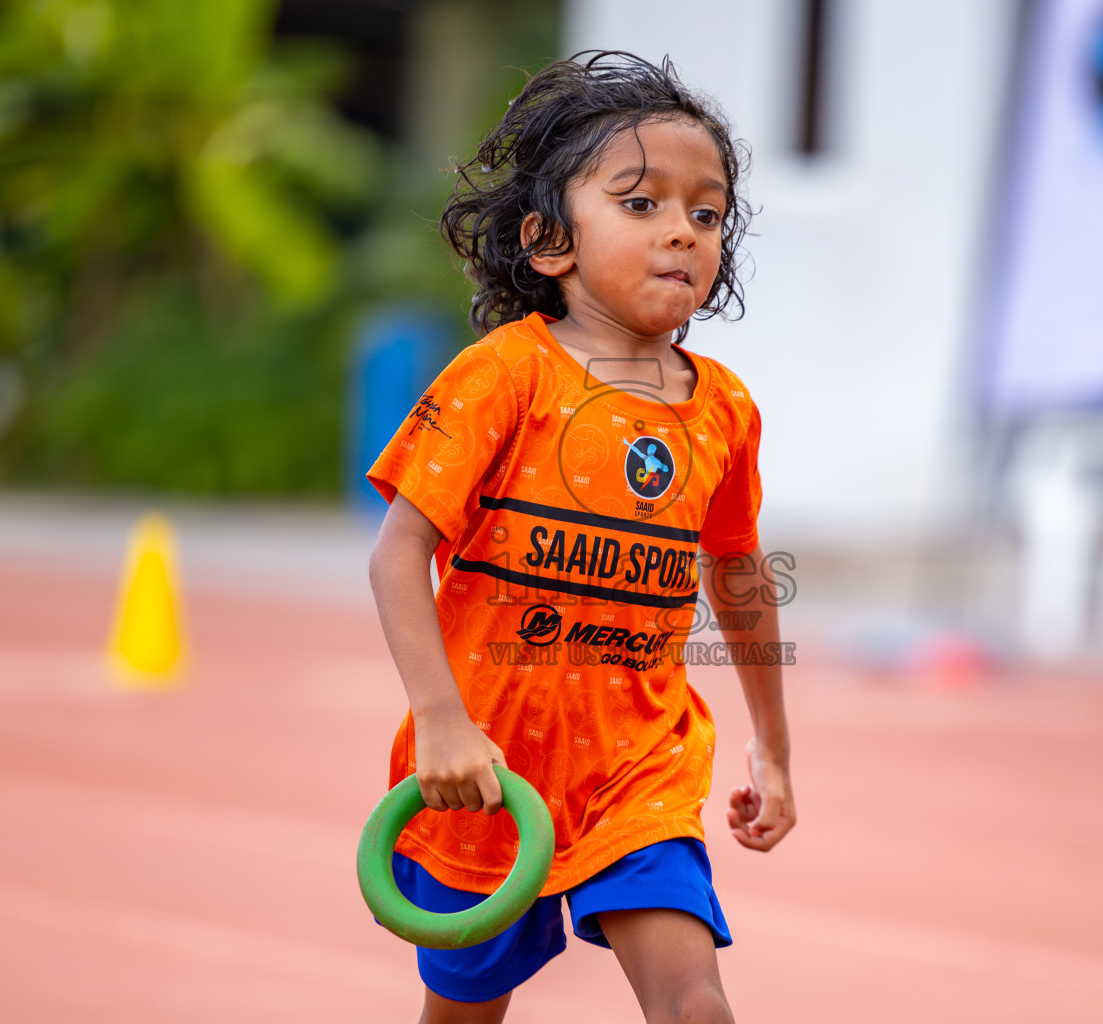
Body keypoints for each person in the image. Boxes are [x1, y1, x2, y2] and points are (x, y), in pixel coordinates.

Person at [366, 51, 795, 1024]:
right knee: (467, 1012)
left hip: (640, 767)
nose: (682, 231)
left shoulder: (723, 408)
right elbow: (397, 552)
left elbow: (738, 575)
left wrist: (773, 748)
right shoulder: (504, 374)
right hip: (490, 766)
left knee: (695, 1001)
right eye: (641, 204)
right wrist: (440, 720)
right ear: (550, 241)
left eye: (707, 212)